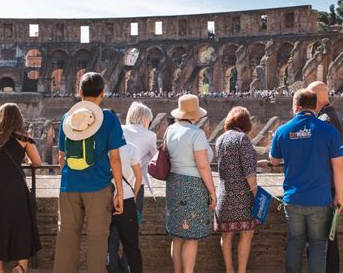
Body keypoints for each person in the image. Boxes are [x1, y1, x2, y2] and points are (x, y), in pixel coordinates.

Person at [54, 72, 126, 273]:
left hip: (69, 186)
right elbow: (115, 159)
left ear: (79, 92)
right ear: (103, 93)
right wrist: (119, 191)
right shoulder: (109, 119)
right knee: (97, 241)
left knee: (67, 239)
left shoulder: (66, 118)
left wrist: (69, 178)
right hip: (99, 186)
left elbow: (61, 156)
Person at [270, 89, 343, 273]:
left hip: (293, 198)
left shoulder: (282, 130)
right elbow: (339, 167)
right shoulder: (328, 130)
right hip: (320, 198)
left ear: (295, 106)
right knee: (319, 246)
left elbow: (274, 160)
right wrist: (339, 195)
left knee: (295, 243)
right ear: (315, 106)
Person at [0, 103, 42, 273]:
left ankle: (0, 271)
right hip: (14, 186)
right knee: (22, 226)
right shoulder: (23, 137)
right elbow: (37, 162)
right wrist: (25, 159)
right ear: (18, 118)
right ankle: (21, 267)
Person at [165, 94, 217, 273]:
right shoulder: (196, 134)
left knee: (177, 236)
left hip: (173, 183)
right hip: (193, 187)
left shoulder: (170, 130)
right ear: (195, 114)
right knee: (191, 236)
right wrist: (212, 192)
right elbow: (203, 166)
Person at [108, 102, 156, 272]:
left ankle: (113, 268)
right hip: (133, 187)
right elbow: (156, 160)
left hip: (111, 188)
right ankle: (126, 267)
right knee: (131, 235)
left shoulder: (119, 130)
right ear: (144, 119)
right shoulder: (149, 135)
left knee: (112, 234)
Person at [214, 106, 259, 273]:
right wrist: (256, 195)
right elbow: (248, 173)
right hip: (242, 197)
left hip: (224, 195)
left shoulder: (220, 139)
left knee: (226, 234)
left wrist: (257, 163)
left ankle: (229, 269)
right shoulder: (242, 139)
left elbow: (230, 164)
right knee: (247, 233)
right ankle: (241, 271)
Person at [307, 81, 343, 273]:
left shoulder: (324, 119)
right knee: (329, 237)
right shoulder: (334, 114)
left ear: (317, 96)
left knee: (323, 239)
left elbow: (319, 152)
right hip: (330, 183)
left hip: (325, 185)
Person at [108, 141, 143, 273]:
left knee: (109, 244)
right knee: (132, 245)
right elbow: (139, 177)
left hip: (105, 199)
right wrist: (133, 195)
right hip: (126, 198)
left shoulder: (101, 146)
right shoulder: (130, 148)